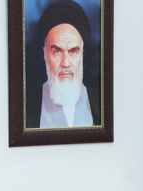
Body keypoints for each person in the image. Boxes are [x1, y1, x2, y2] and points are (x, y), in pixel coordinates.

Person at [26, 0, 100, 129]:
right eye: (57, 51)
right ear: (45, 53)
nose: (65, 63)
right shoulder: (24, 106)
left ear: (82, 54)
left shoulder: (101, 102)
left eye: (73, 51)